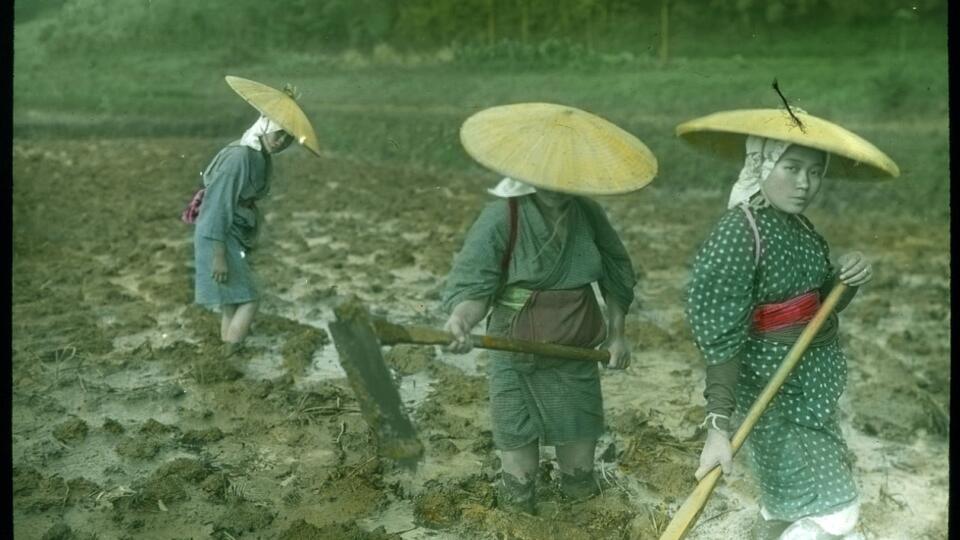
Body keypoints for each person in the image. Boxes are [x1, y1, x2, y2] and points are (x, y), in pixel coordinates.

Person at [685, 134, 876, 540]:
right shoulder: (740, 232)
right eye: (792, 168)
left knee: (793, 492)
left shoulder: (800, 228)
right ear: (762, 166)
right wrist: (718, 427)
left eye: (815, 171)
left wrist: (848, 279)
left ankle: (774, 527)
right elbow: (721, 335)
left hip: (810, 385)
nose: (805, 183)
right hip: (774, 390)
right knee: (837, 510)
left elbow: (819, 307)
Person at [441, 176, 637, 514]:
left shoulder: (587, 213)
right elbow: (475, 287)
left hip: (576, 352)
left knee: (579, 475)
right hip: (515, 353)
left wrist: (617, 334)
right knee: (519, 472)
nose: (555, 185)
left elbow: (616, 270)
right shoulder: (503, 216)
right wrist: (461, 321)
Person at [190, 76, 319, 358]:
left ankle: (225, 355)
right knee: (249, 299)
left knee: (231, 301)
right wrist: (218, 254)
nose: (282, 141)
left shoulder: (260, 155)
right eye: (279, 133)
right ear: (265, 125)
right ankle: (229, 355)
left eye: (288, 137)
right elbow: (216, 207)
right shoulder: (239, 158)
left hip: (231, 232)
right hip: (218, 234)